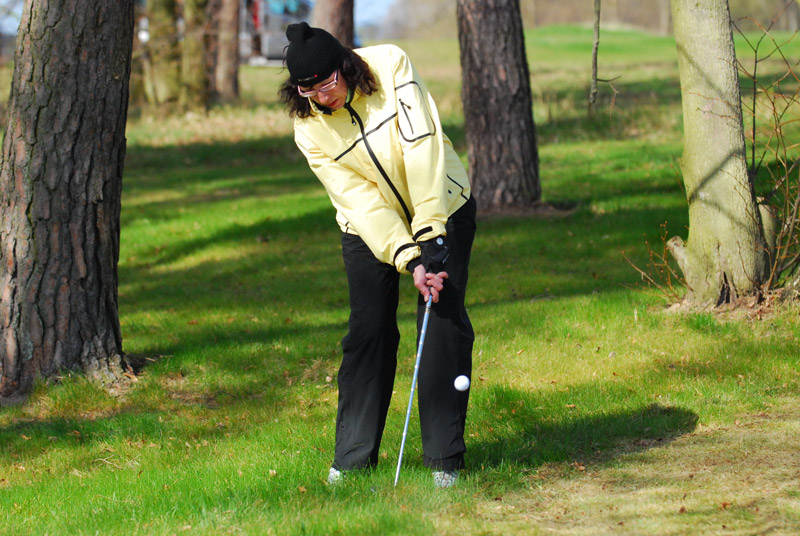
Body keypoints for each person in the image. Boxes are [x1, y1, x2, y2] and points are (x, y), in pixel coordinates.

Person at [280, 22, 476, 489]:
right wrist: (408, 257)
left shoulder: (390, 65)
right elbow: (357, 199)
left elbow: (421, 147)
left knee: (439, 318)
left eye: (329, 83)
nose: (324, 97)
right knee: (368, 331)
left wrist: (430, 235)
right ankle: (352, 459)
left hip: (442, 203)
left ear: (344, 65)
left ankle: (444, 461)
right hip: (368, 227)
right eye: (310, 91)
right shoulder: (308, 127)